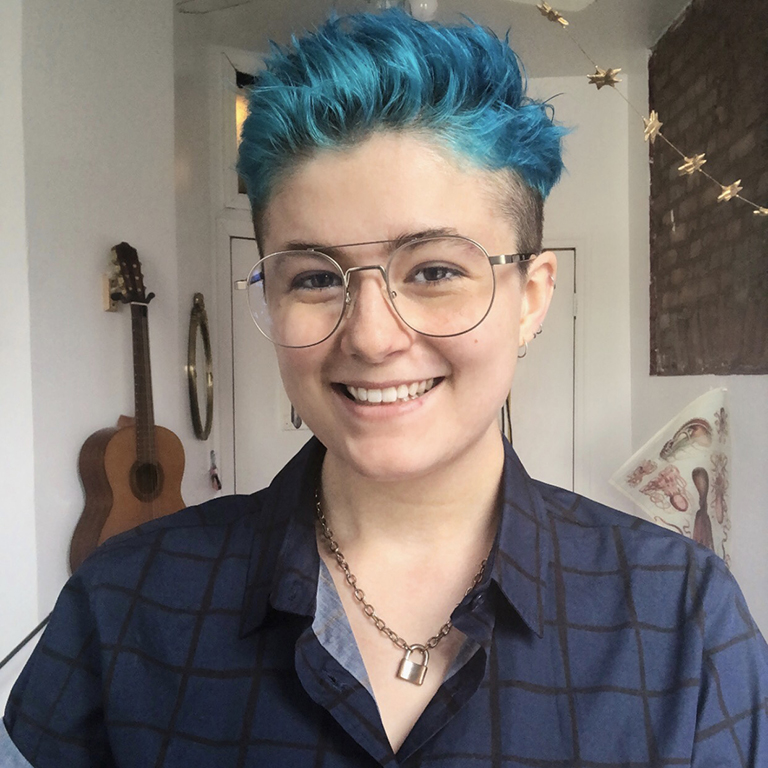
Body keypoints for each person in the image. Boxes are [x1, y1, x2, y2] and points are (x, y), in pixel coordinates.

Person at [3, 9, 767, 767]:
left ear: (531, 299)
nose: (371, 337)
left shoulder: (684, 621)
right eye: (313, 278)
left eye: (434, 270)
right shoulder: (124, 604)